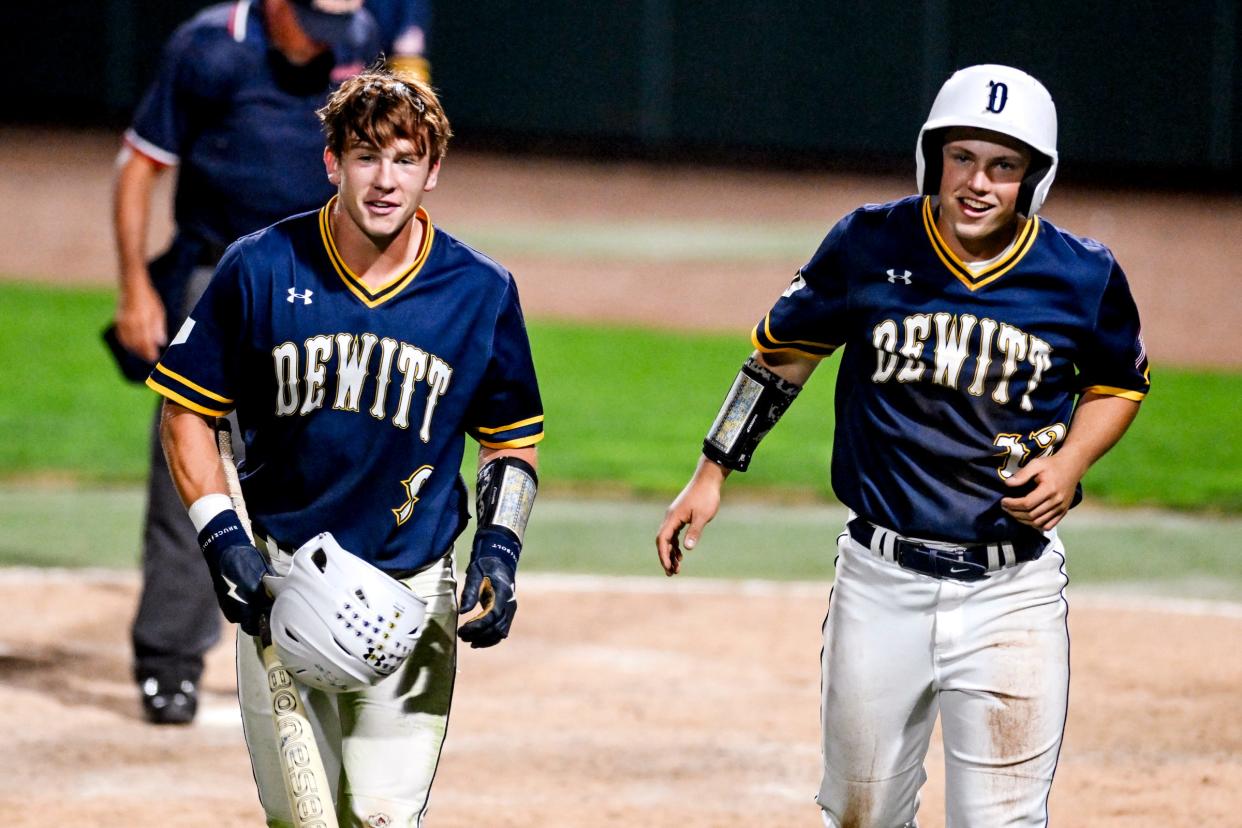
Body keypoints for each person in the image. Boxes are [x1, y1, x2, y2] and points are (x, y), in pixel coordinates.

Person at [655, 64, 1149, 827]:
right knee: (861, 816)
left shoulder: (1080, 275)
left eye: (1004, 166)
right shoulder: (867, 242)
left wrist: (1074, 460)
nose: (978, 183)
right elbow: (781, 359)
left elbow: (1118, 382)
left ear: (1034, 179)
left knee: (1002, 822)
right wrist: (711, 470)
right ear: (933, 159)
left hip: (1010, 591)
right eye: (963, 158)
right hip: (880, 584)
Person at [146, 67, 543, 823]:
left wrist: (499, 550)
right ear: (331, 162)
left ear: (434, 170)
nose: (385, 180)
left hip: (415, 593)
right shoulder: (259, 267)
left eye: (405, 159)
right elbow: (186, 413)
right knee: (301, 819)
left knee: (385, 819)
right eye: (366, 156)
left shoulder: (480, 292)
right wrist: (224, 541)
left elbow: (511, 441)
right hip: (283, 586)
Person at [111, 0, 380, 723]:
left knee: (331, 459)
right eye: (309, 25)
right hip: (217, 278)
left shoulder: (354, 36)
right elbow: (139, 168)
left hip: (321, 281)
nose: (323, 44)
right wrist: (137, 287)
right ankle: (169, 661)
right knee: (191, 464)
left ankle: (327, 644)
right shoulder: (209, 48)